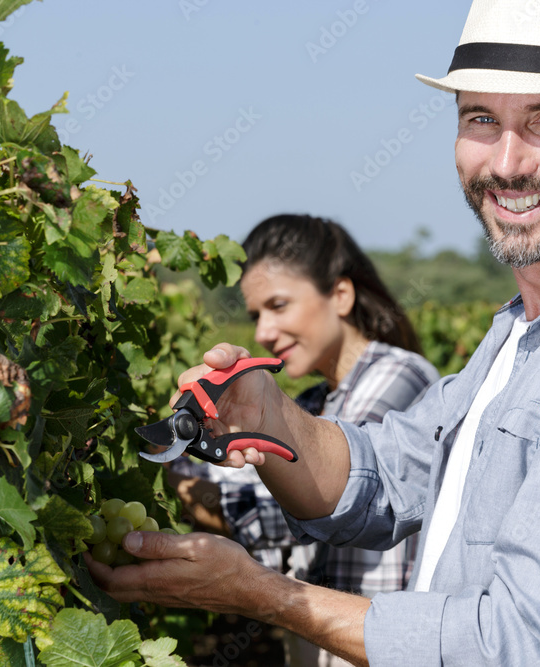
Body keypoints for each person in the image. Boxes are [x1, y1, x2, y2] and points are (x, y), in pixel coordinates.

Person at [89, 1, 540, 665]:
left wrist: (266, 596)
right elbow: (387, 476)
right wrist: (271, 419)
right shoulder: (527, 331)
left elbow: (523, 646)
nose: (506, 162)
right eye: (480, 118)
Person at [166, 214, 440, 666]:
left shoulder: (399, 378)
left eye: (278, 305)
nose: (262, 333)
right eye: (256, 315)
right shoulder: (316, 401)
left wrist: (173, 478)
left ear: (341, 295)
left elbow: (290, 507)